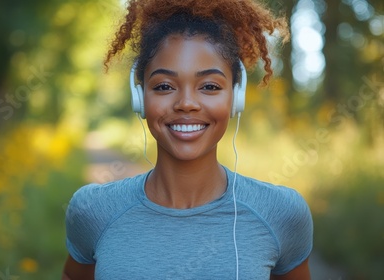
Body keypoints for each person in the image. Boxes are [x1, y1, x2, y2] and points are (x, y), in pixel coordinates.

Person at [62, 0, 313, 279]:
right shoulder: (92, 211)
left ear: (235, 97)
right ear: (140, 97)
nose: (186, 103)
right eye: (165, 86)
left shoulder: (282, 214)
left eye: (209, 86)